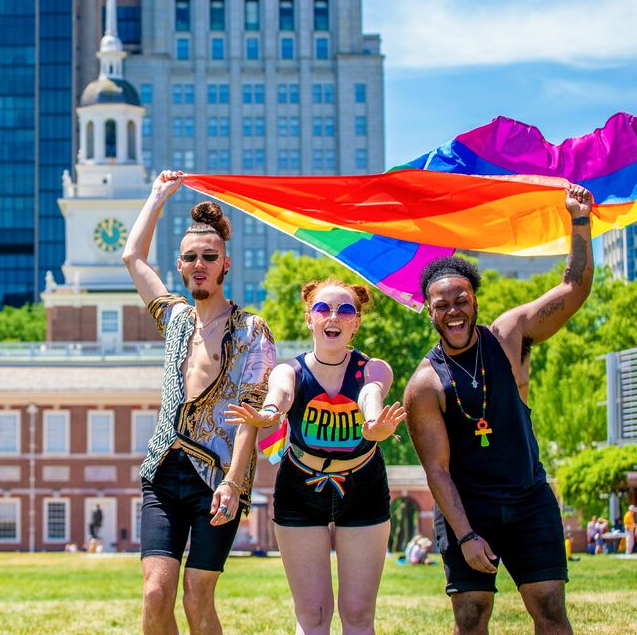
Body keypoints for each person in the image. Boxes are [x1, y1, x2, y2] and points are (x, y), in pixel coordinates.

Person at [403, 183, 593, 635]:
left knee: (549, 608)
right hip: (469, 507)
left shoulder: (508, 337)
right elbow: (438, 471)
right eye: (441, 304)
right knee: (471, 616)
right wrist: (466, 535)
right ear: (429, 312)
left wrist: (579, 220)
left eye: (461, 300)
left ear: (476, 302)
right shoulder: (424, 385)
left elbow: (574, 288)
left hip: (529, 498)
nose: (453, 311)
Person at [123, 170, 277, 635]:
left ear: (226, 264)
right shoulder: (173, 318)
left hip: (218, 478)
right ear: (181, 266)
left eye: (210, 257)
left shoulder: (252, 330)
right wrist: (157, 195)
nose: (200, 264)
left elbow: (251, 415)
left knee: (197, 598)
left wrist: (233, 483)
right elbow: (132, 255)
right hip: (163, 474)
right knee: (155, 594)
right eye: (191, 258)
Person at [227, 278, 405, 634]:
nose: (333, 316)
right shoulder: (289, 371)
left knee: (357, 613)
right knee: (312, 612)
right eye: (323, 309)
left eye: (345, 310)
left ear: (356, 322)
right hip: (300, 490)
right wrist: (269, 414)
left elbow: (371, 393)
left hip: (364, 486)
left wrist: (373, 425)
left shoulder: (373, 368)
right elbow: (280, 394)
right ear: (310, 318)